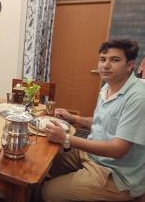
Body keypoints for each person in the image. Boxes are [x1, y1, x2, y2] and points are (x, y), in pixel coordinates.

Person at [42, 39, 145, 202]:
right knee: (44, 164)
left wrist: (67, 139)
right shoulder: (108, 86)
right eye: (103, 59)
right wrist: (73, 118)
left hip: (115, 173)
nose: (105, 65)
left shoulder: (138, 97)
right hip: (92, 155)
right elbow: (103, 123)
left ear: (130, 65)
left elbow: (118, 150)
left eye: (115, 60)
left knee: (48, 192)